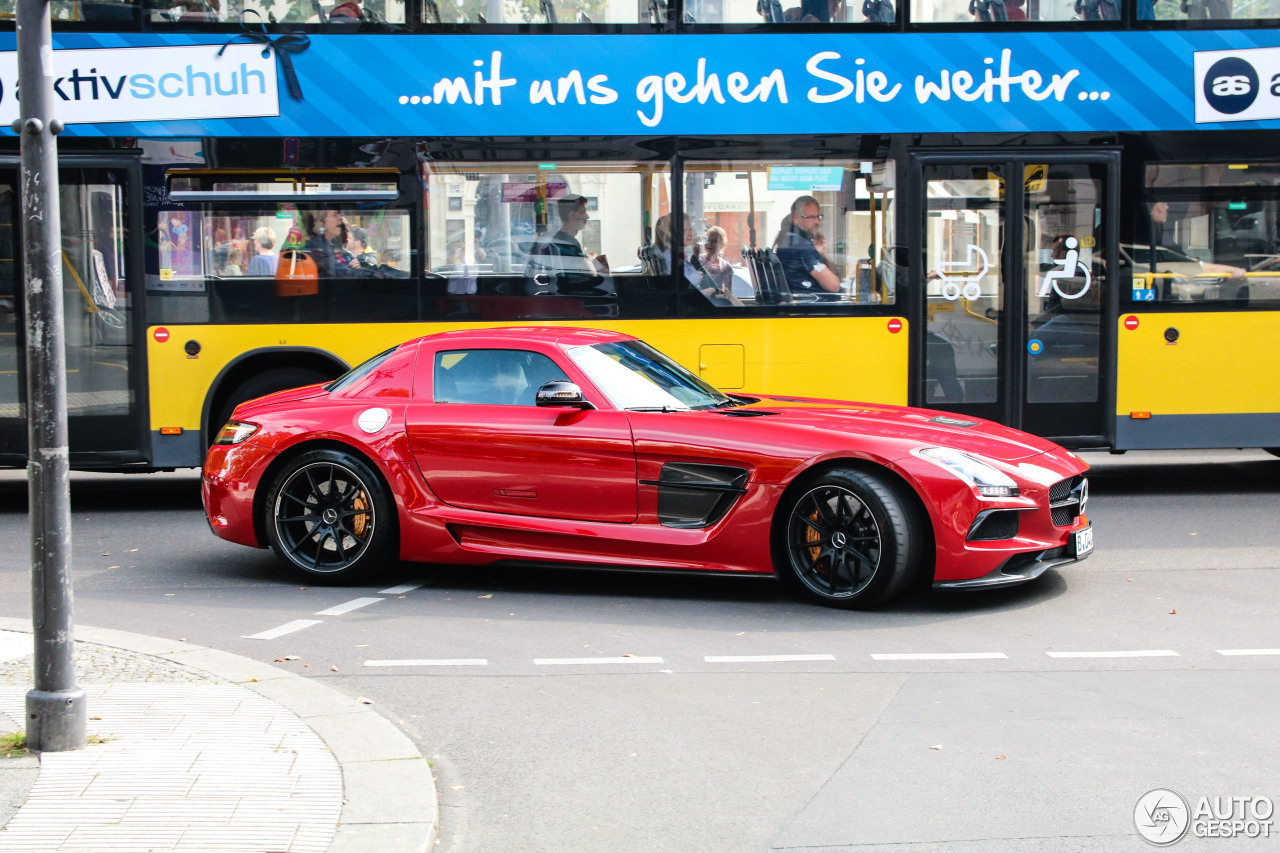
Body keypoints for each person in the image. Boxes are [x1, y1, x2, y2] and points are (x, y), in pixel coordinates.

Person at [526, 194, 610, 293]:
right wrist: (597, 265)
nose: (587, 216)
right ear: (572, 214)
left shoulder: (561, 240)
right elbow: (590, 276)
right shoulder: (567, 244)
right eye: (582, 212)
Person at [773, 195, 842, 300]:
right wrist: (820, 255)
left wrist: (819, 253)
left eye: (818, 216)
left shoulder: (788, 243)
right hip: (816, 307)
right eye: (810, 217)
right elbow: (833, 286)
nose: (817, 222)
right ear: (795, 219)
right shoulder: (801, 248)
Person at [302, 209, 355, 276]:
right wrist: (353, 271)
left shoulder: (329, 244)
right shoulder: (314, 246)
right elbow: (332, 275)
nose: (340, 217)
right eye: (335, 214)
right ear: (321, 221)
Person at [701, 226, 744, 306]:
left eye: (714, 241)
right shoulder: (697, 261)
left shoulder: (726, 267)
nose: (709, 243)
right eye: (707, 240)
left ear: (722, 244)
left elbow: (728, 294)